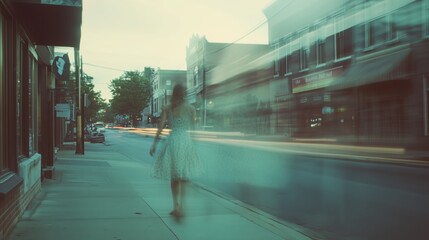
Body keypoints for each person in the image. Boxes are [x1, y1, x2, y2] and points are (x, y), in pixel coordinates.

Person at [150, 84, 203, 219]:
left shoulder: (168, 108)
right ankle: (183, 207)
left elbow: (161, 127)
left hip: (173, 141)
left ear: (173, 93)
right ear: (184, 93)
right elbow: (194, 128)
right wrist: (194, 143)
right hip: (185, 141)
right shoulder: (190, 108)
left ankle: (176, 206)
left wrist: (154, 144)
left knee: (175, 176)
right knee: (184, 175)